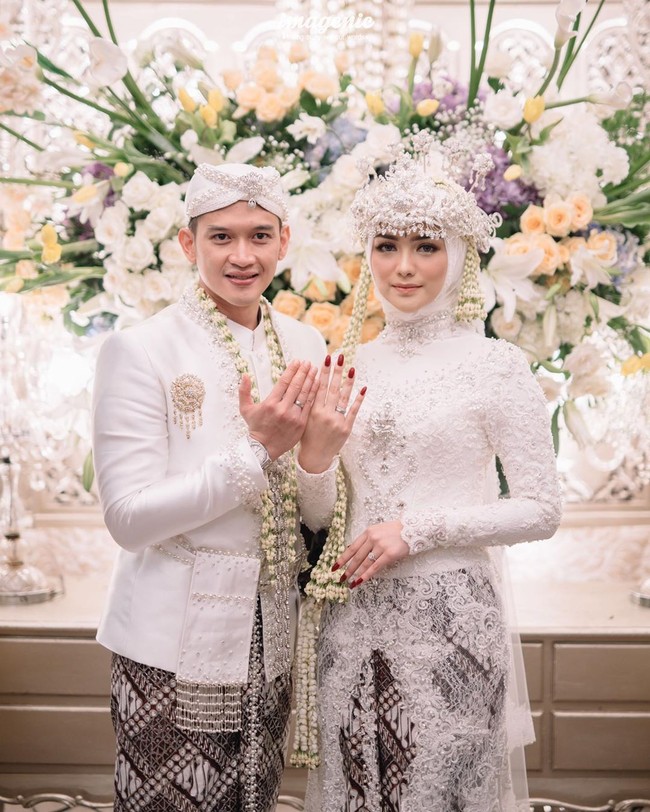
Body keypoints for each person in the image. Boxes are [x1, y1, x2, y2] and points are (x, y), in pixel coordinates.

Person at [293, 135, 562, 812]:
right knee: (357, 793)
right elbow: (322, 517)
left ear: (460, 255)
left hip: (450, 620)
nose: (404, 266)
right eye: (387, 247)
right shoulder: (349, 363)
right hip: (350, 618)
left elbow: (540, 509)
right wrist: (315, 458)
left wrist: (415, 530)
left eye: (425, 246)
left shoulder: (496, 367)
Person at [92, 162, 339, 812]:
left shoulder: (305, 342)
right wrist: (256, 450)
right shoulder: (141, 350)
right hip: (169, 640)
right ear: (187, 243)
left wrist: (318, 462)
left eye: (259, 236)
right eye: (221, 237)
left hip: (274, 639)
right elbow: (128, 519)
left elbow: (316, 516)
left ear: (284, 241)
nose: (242, 256)